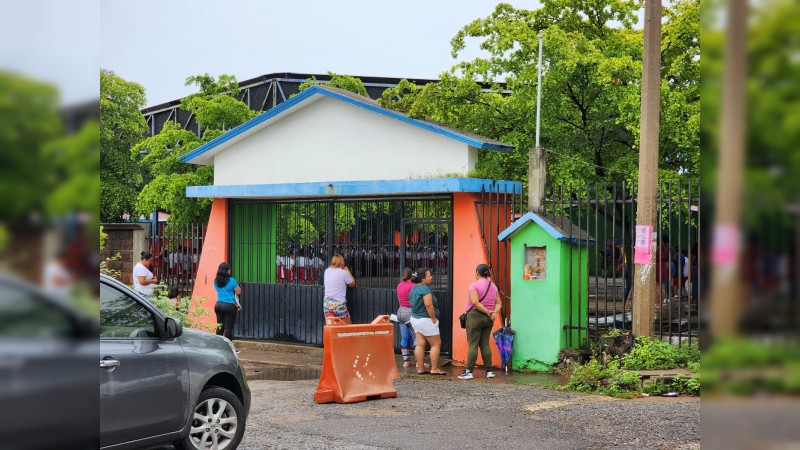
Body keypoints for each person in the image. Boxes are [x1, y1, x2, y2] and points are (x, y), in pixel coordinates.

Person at [458, 264, 501, 380]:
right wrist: (493, 313)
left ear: (477, 272)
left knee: (473, 344)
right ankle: (489, 371)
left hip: (475, 316)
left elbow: (475, 302)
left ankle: (469, 372)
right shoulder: (493, 286)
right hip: (488, 319)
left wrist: (488, 312)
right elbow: (499, 303)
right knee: (485, 344)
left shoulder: (474, 285)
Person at [409, 267, 446, 375]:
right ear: (422, 278)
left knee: (420, 344)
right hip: (426, 319)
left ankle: (421, 368)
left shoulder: (413, 288)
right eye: (429, 275)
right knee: (436, 344)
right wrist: (433, 318)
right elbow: (428, 305)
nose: (431, 277)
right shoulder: (425, 289)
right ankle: (434, 368)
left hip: (415, 319)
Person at [323, 254, 356, 324]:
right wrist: (347, 270)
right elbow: (352, 284)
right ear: (342, 262)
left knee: (331, 328)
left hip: (327, 303)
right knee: (347, 327)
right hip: (338, 304)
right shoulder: (343, 273)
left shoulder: (327, 271)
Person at [214, 262, 241, 340]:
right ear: (227, 271)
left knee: (220, 326)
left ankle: (217, 345)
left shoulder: (216, 281)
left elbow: (218, 290)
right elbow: (238, 291)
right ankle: (229, 347)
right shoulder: (232, 280)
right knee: (228, 328)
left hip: (218, 305)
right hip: (229, 306)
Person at [395, 268, 416, 367]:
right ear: (411, 276)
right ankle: (419, 363)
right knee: (416, 337)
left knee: (405, 337)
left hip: (400, 312)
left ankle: (406, 361)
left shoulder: (399, 285)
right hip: (410, 312)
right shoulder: (413, 286)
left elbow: (399, 300)